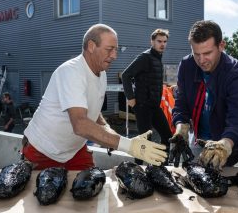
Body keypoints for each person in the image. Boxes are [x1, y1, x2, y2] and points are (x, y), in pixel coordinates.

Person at [22, 24, 167, 170]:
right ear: (91, 46)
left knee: (93, 187)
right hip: (42, 150)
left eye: (115, 50)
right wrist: (128, 145)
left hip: (74, 151)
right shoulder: (71, 71)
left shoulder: (101, 73)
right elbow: (80, 124)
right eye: (109, 49)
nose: (114, 56)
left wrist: (109, 133)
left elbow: (93, 110)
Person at [172, 20, 238, 170]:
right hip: (197, 141)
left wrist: (225, 144)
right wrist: (180, 127)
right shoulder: (187, 65)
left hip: (228, 144)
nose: (201, 60)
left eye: (207, 53)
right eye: (196, 54)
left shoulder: (237, 74)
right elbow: (181, 102)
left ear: (221, 46)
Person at [121, 28, 172, 165]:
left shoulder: (157, 59)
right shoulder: (145, 57)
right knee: (145, 141)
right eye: (159, 41)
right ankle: (138, 169)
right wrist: (130, 98)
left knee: (167, 136)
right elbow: (126, 75)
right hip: (143, 106)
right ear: (152, 41)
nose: (162, 44)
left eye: (165, 41)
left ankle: (161, 166)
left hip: (154, 106)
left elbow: (149, 78)